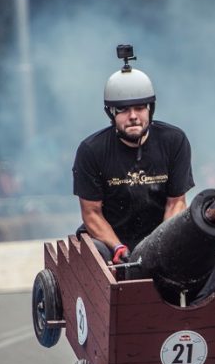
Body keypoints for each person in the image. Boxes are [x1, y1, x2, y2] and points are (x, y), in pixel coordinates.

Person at [72, 45, 194, 264]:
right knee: (96, 255)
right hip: (111, 243)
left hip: (158, 237)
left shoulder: (175, 141)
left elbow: (176, 203)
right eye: (124, 110)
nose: (133, 116)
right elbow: (92, 213)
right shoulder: (91, 150)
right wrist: (118, 248)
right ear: (111, 113)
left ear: (150, 109)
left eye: (140, 108)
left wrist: (161, 247)